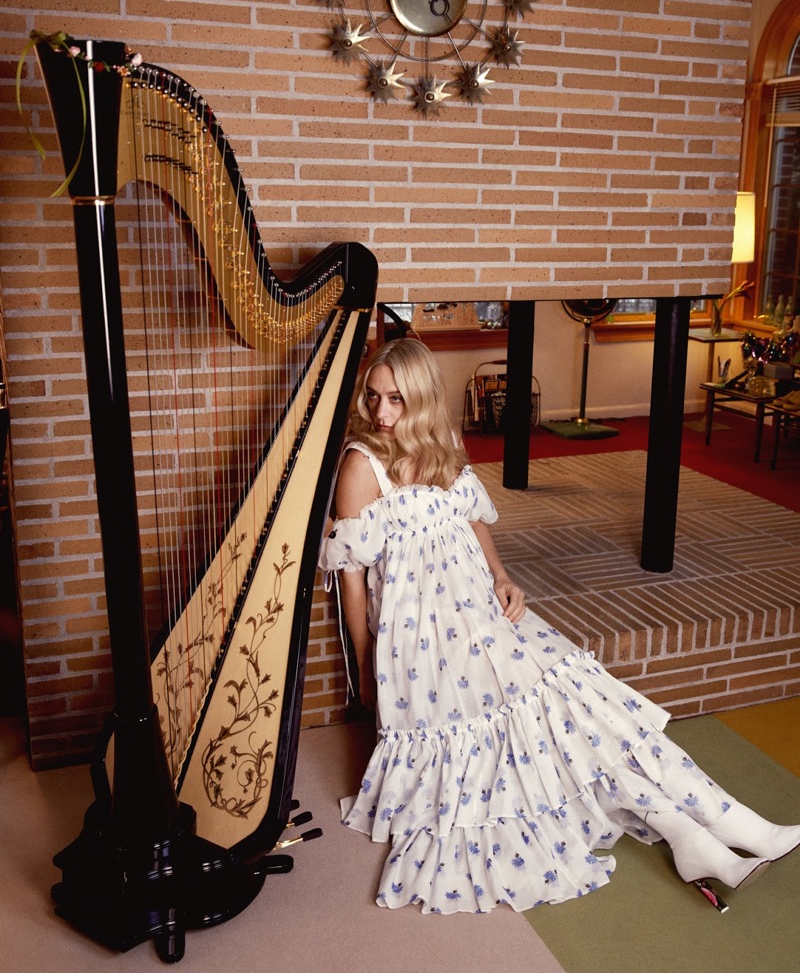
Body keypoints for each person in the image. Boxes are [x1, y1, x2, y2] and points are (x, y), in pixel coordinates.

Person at [319, 338, 800, 915]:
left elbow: (471, 522)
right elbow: (351, 579)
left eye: (396, 399)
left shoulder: (440, 447)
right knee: (563, 721)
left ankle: (708, 828)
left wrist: (502, 575)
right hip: (424, 648)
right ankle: (700, 835)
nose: (381, 413)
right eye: (374, 398)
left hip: (482, 615)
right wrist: (367, 666)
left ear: (422, 400)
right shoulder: (360, 465)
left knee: (587, 704)